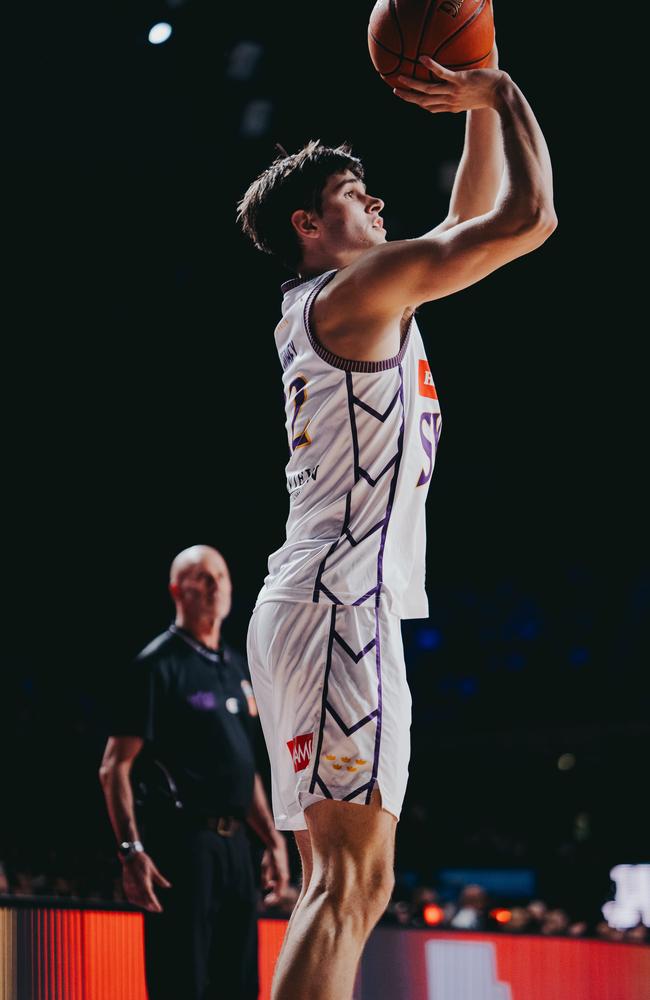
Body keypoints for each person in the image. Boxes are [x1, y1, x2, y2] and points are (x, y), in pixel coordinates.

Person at [238, 34, 556, 1000]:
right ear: (309, 225)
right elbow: (528, 219)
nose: (377, 203)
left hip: (318, 598)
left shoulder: (344, 301)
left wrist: (473, 108)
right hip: (339, 603)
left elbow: (467, 214)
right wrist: (498, 91)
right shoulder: (356, 292)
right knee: (349, 883)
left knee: (342, 887)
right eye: (353, 197)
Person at [99, 544, 289, 1000]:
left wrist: (272, 839)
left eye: (220, 576)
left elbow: (243, 766)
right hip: (182, 845)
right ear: (176, 590)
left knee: (239, 984)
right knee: (180, 982)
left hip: (236, 849)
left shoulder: (235, 669)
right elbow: (114, 767)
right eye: (201, 576)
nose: (214, 585)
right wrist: (131, 851)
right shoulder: (155, 665)